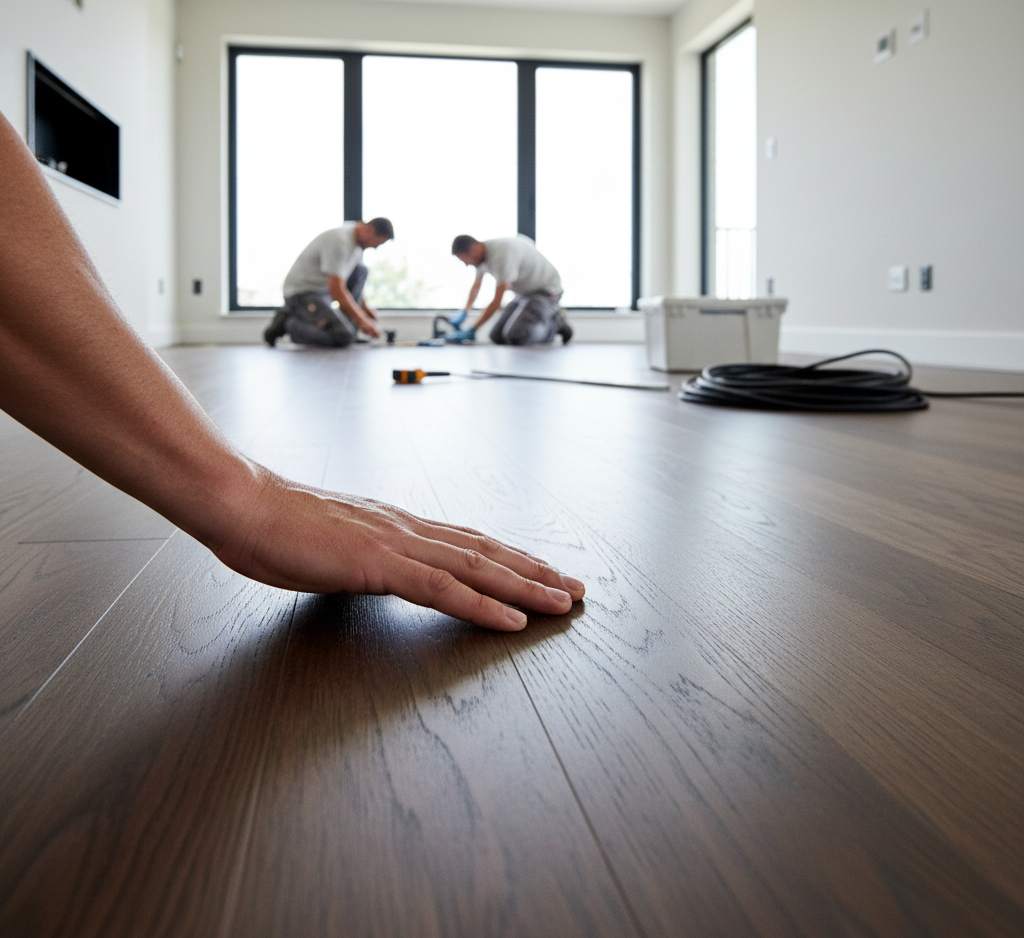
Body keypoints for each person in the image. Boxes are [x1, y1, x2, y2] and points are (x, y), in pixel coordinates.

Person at [0, 110, 584, 631]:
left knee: (492, 329)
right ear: (371, 232)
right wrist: (247, 500)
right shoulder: (341, 243)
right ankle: (287, 321)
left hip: (536, 294)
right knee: (333, 335)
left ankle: (549, 321)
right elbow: (348, 292)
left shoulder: (373, 255)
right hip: (307, 297)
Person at [264, 218, 393, 348]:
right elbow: (337, 289)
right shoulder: (339, 240)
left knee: (361, 271)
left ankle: (349, 330)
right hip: (302, 293)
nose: (376, 247)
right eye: (378, 243)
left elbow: (347, 281)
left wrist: (365, 310)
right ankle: (289, 322)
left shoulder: (357, 246)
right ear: (369, 230)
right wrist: (363, 321)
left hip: (323, 292)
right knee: (343, 336)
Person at [452, 234, 572, 345]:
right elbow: (476, 287)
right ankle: (546, 321)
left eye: (464, 259)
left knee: (515, 336)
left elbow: (497, 301)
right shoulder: (481, 260)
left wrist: (473, 329)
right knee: (496, 336)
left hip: (546, 292)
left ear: (474, 250)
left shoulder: (501, 254)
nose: (466, 264)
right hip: (524, 295)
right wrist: (465, 311)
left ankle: (555, 325)